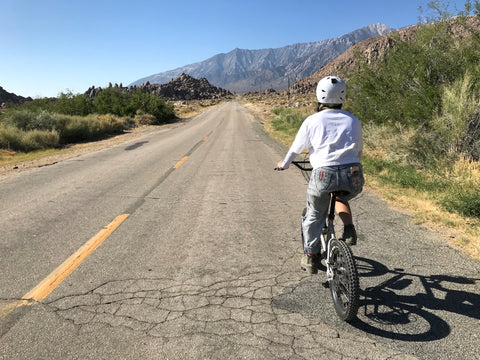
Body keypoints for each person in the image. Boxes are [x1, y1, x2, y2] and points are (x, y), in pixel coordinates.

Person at [277, 76, 364, 274]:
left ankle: (311, 257)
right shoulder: (354, 120)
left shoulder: (312, 120)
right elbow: (358, 151)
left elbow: (296, 148)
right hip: (354, 174)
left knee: (314, 215)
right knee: (340, 195)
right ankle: (349, 229)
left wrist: (284, 164)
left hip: (324, 175)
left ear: (319, 95)